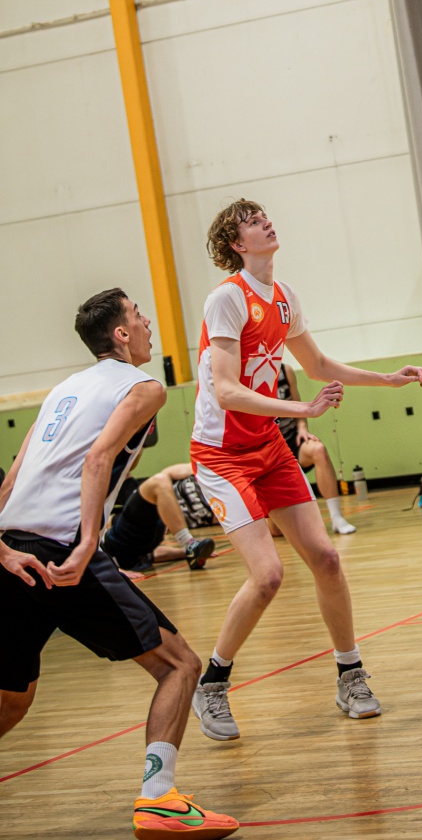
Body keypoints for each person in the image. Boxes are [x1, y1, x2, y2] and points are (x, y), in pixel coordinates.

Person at [0, 288, 237, 839]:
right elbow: (99, 458)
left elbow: (12, 479)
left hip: (12, 549)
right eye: (138, 315)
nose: (148, 322)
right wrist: (87, 544)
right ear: (122, 334)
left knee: (12, 698)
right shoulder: (144, 387)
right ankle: (159, 801)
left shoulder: (62, 390)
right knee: (180, 666)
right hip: (59, 549)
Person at [190, 200, 422, 742]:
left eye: (264, 216)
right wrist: (303, 410)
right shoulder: (226, 299)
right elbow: (225, 390)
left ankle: (350, 675)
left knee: (326, 558)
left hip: (268, 448)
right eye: (252, 221)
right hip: (222, 456)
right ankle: (213, 684)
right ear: (237, 244)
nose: (266, 222)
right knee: (268, 576)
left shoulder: (284, 297)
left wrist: (386, 379)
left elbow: (316, 365)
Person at [275, 363, 357, 534]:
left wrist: (302, 428)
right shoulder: (248, 377)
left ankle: (336, 517)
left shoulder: (285, 371)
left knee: (318, 449)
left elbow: (298, 405)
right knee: (277, 531)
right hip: (270, 447)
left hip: (292, 439)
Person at [103, 462, 218, 573]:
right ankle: (189, 544)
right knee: (158, 481)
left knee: (145, 480)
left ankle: (189, 545)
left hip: (128, 546)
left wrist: (186, 552)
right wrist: (117, 570)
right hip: (118, 544)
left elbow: (154, 554)